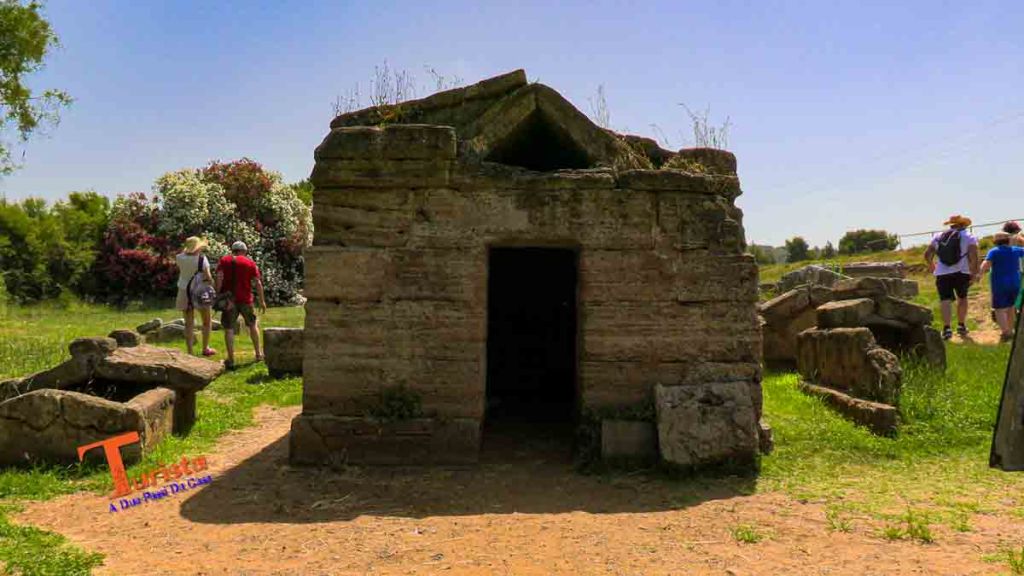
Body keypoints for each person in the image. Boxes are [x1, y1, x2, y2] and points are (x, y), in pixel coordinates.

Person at [924, 215, 979, 340]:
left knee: (945, 300)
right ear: (964, 225)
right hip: (962, 272)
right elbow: (974, 256)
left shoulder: (938, 237)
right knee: (962, 298)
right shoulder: (969, 237)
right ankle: (961, 325)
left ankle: (947, 328)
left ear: (951, 225)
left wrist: (932, 266)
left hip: (942, 273)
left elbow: (927, 254)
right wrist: (974, 272)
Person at [216, 241, 267, 369]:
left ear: (232, 250)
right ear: (244, 251)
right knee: (252, 324)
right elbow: (257, 283)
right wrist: (262, 300)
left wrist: (217, 294)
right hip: (245, 299)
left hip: (229, 301)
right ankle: (258, 354)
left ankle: (231, 359)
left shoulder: (224, 260)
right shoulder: (249, 262)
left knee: (229, 329)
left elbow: (219, 277)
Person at [977, 232, 1024, 342]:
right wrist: (1020, 239)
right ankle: (1011, 330)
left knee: (999, 309)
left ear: (996, 242)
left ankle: (1005, 331)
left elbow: (986, 263)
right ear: (1008, 240)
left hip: (1000, 284)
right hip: (1015, 282)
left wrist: (979, 274)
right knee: (1011, 307)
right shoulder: (1016, 250)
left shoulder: (994, 251)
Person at [174, 237, 216, 356]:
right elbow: (208, 277)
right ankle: (205, 348)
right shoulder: (202, 259)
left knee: (189, 323)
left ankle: (190, 351)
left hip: (184, 291)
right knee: (207, 321)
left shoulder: (179, 258)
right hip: (199, 292)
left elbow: (183, 255)